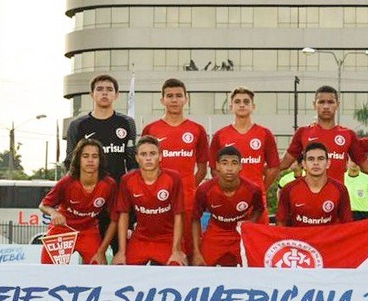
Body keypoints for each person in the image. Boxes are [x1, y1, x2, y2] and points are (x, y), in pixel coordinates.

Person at [63, 74, 137, 253]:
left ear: (117, 95)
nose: (105, 93)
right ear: (92, 94)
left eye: (109, 90)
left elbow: (132, 164)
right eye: (100, 89)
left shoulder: (126, 123)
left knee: (122, 252)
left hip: (118, 198)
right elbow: (70, 163)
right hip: (90, 202)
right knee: (92, 253)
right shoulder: (78, 125)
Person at [142, 78, 209, 259]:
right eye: (169, 96)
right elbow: (143, 164)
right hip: (156, 200)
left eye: (179, 96)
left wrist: (186, 187)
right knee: (160, 248)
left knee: (188, 248)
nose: (174, 100)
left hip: (187, 199)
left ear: (186, 99)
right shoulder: (151, 128)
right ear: (162, 100)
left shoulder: (197, 130)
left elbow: (202, 168)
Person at [38, 138, 117, 265]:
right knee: (48, 270)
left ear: (100, 160)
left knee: (99, 269)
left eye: (95, 156)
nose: (90, 160)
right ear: (78, 159)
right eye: (85, 156)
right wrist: (53, 213)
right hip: (63, 229)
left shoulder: (109, 184)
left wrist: (102, 250)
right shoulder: (67, 182)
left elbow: (115, 219)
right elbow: (43, 205)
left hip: (89, 231)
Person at [279, 85, 368, 182]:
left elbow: (367, 167)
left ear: (337, 104)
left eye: (330, 102)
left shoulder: (348, 135)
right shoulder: (303, 132)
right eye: (321, 102)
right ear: (314, 105)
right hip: (309, 196)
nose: (326, 106)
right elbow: (284, 163)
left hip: (337, 197)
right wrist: (263, 168)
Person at [111, 136, 186, 266]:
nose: (148, 158)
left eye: (153, 153)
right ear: (137, 158)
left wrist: (176, 250)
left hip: (167, 238)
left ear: (160, 156)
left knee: (176, 267)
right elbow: (123, 215)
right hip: (141, 238)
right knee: (120, 267)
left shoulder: (173, 178)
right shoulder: (127, 180)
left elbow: (178, 215)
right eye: (143, 154)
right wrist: (121, 252)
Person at [208, 87, 279, 219]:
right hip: (229, 196)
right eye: (237, 102)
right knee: (229, 235)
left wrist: (261, 188)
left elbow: (274, 168)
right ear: (231, 107)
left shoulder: (264, 134)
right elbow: (214, 169)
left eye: (246, 102)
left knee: (257, 236)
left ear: (253, 106)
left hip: (256, 199)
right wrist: (227, 188)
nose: (242, 105)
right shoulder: (220, 135)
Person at [191, 146, 264, 267]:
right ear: (217, 166)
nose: (229, 168)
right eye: (225, 163)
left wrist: (248, 224)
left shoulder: (253, 189)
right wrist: (196, 252)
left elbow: (259, 209)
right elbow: (195, 218)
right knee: (202, 270)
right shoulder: (204, 190)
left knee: (252, 268)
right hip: (215, 234)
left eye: (234, 163)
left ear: (241, 166)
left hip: (239, 234)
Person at [277, 142, 354, 227]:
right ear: (304, 164)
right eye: (311, 159)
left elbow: (347, 226)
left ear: (328, 163)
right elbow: (281, 224)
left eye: (320, 159)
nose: (316, 163)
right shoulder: (288, 189)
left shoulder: (340, 189)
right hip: (299, 240)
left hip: (328, 240)